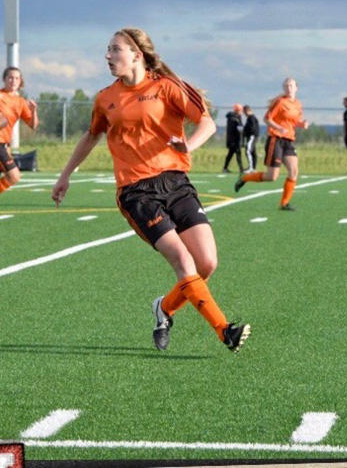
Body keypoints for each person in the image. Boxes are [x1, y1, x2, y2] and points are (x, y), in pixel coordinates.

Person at [52, 27, 250, 353]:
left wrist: (186, 146)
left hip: (176, 183)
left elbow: (207, 123)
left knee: (206, 264)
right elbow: (91, 137)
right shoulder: (105, 98)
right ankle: (225, 330)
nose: (108, 56)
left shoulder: (167, 87)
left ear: (136, 55)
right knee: (184, 263)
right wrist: (65, 175)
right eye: (108, 50)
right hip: (136, 193)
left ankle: (165, 308)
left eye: (115, 49)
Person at [235, 77, 308, 211]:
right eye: (286, 86)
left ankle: (284, 204)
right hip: (276, 139)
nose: (289, 88)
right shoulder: (280, 102)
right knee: (272, 176)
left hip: (289, 140)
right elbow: (267, 119)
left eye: (291, 86)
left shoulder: (298, 104)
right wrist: (278, 127)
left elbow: (294, 121)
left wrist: (302, 124)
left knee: (294, 171)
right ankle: (245, 177)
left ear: (296, 88)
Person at [0, 66, 39, 195]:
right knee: (14, 176)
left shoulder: (20, 102)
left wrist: (33, 111)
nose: (13, 81)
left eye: (16, 78)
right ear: (4, 79)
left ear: (20, 81)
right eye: (10, 77)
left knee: (12, 177)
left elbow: (33, 125)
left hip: (4, 145)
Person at [222, 103, 244, 173]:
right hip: (235, 140)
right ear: (238, 110)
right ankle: (241, 169)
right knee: (237, 154)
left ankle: (225, 168)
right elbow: (239, 129)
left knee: (230, 155)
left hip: (232, 140)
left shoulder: (232, 118)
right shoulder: (235, 119)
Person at [243, 105, 259, 172]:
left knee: (248, 151)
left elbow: (252, 128)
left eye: (244, 112)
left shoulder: (251, 118)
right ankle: (253, 167)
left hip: (252, 136)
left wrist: (245, 132)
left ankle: (251, 168)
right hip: (252, 136)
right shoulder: (250, 118)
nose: (244, 114)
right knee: (253, 152)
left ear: (247, 111)